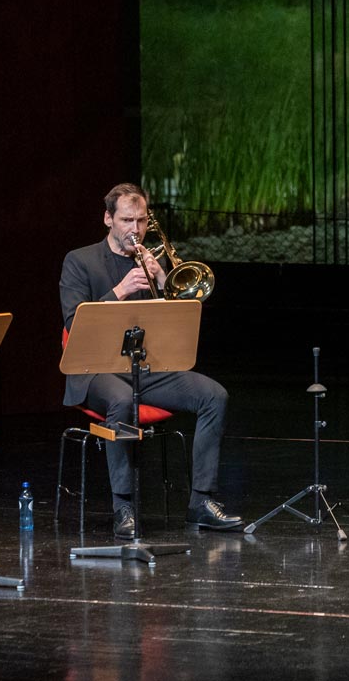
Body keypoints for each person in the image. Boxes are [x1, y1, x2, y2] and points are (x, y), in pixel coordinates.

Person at [59, 183, 242, 538]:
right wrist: (120, 291)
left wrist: (162, 280)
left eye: (142, 220)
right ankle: (123, 507)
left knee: (213, 396)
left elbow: (179, 324)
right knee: (122, 402)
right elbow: (73, 323)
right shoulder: (79, 261)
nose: (136, 229)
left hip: (145, 368)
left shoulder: (149, 261)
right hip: (95, 369)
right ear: (108, 219)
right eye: (127, 219)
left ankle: (201, 502)